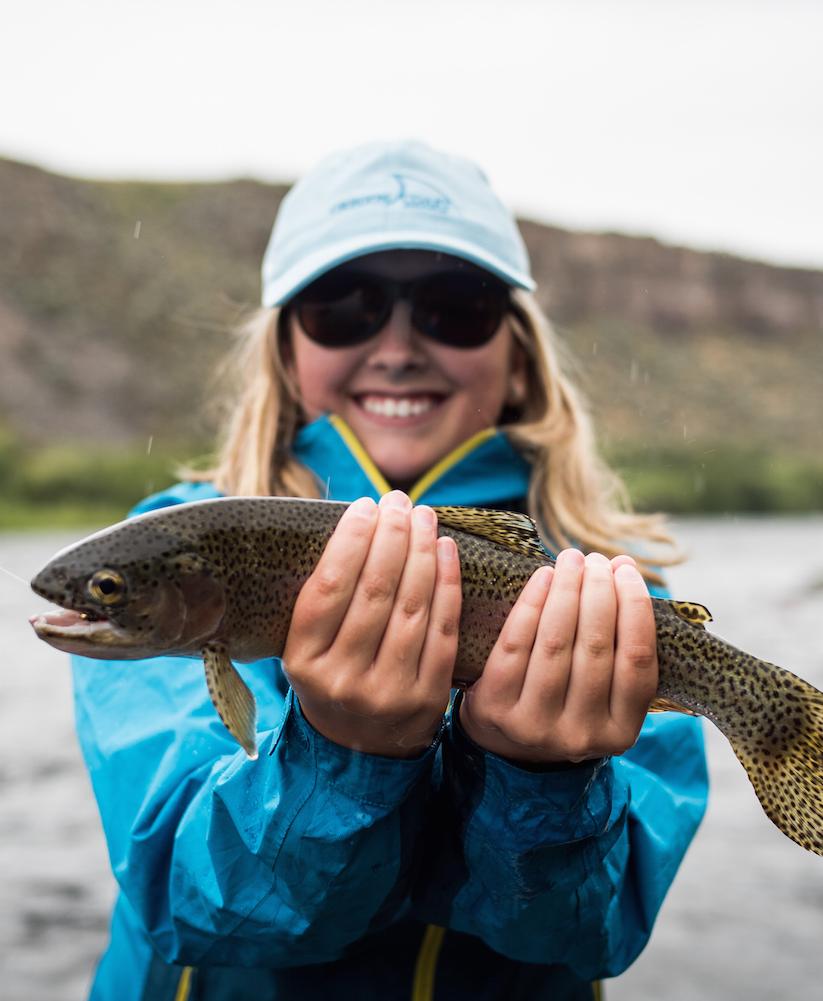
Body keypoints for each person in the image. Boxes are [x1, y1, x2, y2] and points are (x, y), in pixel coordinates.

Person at [70, 141, 708, 1001]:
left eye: (455, 306)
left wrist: (542, 781)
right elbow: (189, 901)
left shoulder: (606, 592)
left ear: (519, 354)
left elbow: (596, 930)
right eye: (344, 307)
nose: (399, 345)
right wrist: (337, 755)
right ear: (286, 350)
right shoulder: (167, 539)